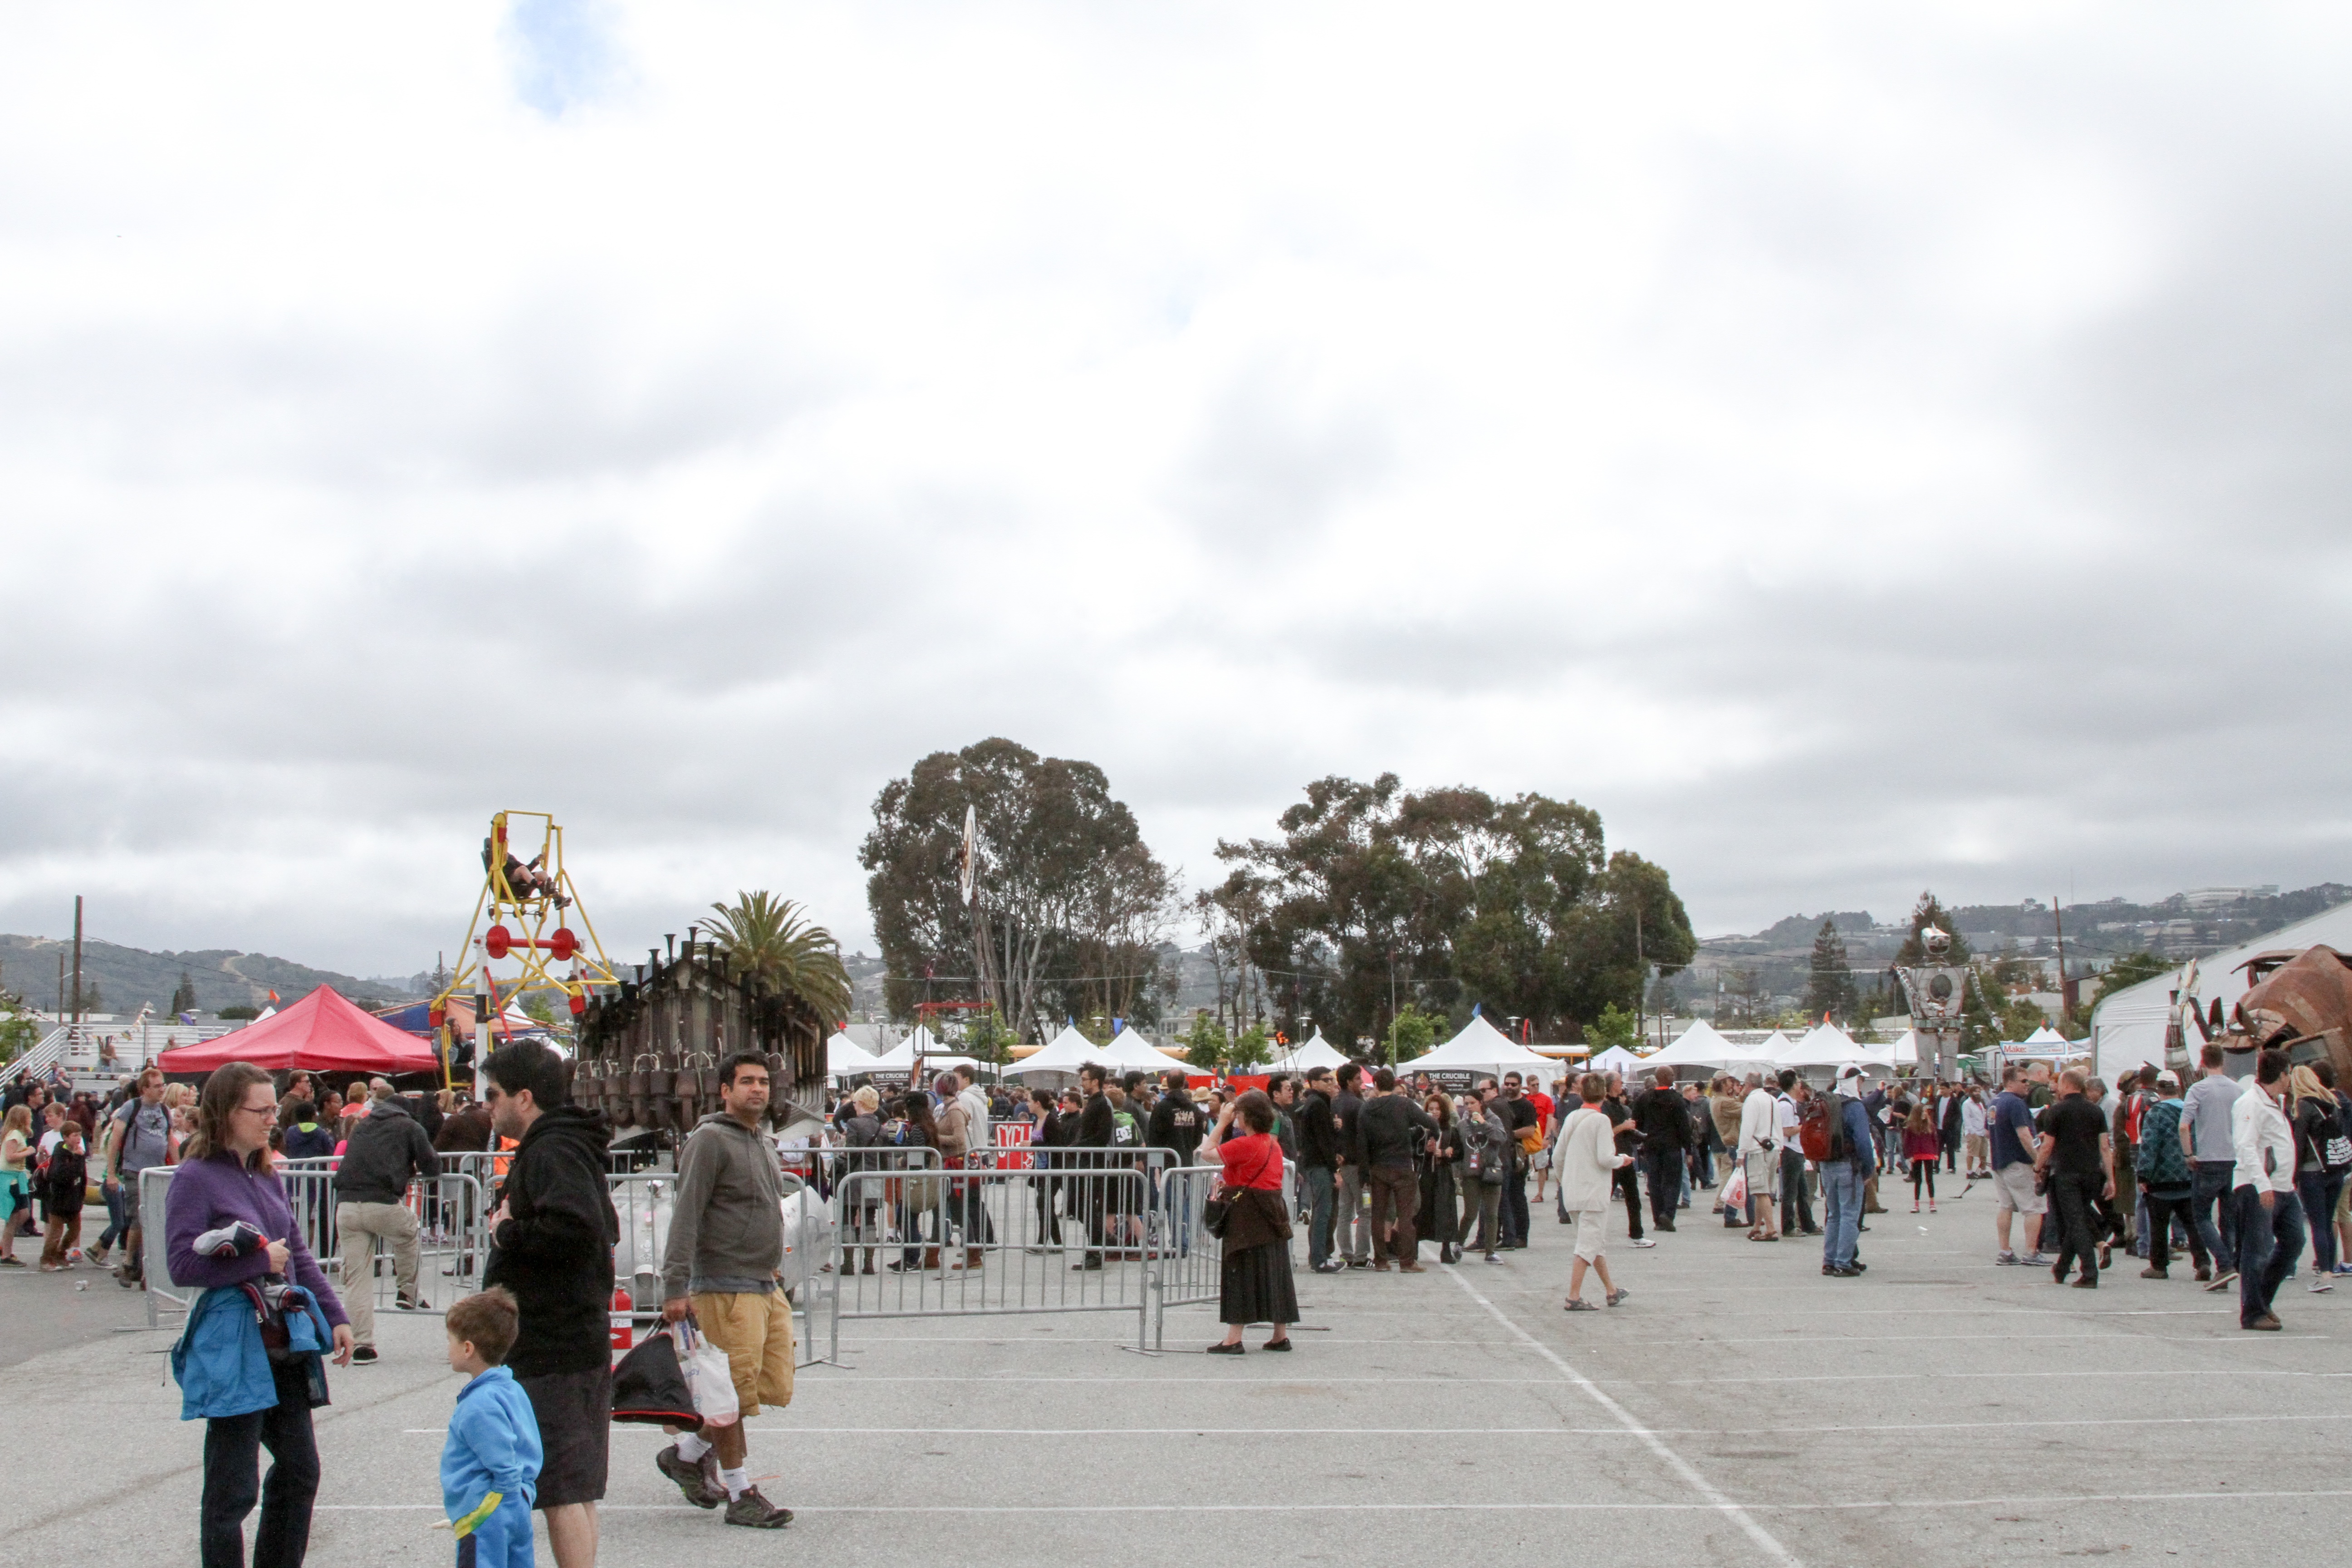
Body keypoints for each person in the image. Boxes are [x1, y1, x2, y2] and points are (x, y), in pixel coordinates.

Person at [165, 1061, 356, 1568]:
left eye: (275, 1108)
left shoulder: (269, 1175)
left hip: (283, 1340)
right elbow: (181, 1264)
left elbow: (296, 1252)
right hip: (235, 1345)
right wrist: (254, 1262)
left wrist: (335, 1315)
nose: (274, 1118)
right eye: (263, 1109)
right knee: (232, 1490)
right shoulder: (195, 1177)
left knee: (300, 1472)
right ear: (227, 1112)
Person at [480, 1038, 619, 1568]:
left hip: (554, 1340)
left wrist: (509, 1233)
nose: (487, 1107)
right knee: (572, 1486)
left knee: (560, 1486)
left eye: (492, 1095)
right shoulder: (565, 1145)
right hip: (569, 1335)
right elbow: (603, 1225)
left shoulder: (554, 1149)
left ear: (524, 1096)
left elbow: (578, 1230)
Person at [657, 1053, 796, 1528]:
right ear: (724, 1091)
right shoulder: (711, 1140)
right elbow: (686, 1215)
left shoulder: (762, 1141)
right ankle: (741, 1494)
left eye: (762, 1082)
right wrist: (675, 1286)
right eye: (746, 1082)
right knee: (730, 1396)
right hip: (722, 1285)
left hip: (762, 1284)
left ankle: (688, 1454)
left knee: (762, 1388)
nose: (757, 1090)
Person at [334, 1080, 442, 1354]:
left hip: (346, 1205)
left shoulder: (362, 1126)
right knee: (408, 1233)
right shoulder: (410, 1126)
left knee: (357, 1278)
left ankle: (362, 1345)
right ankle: (407, 1291)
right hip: (382, 1202)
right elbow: (433, 1165)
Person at [440, 1288, 542, 1568]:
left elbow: (500, 1457)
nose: (448, 1348)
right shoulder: (511, 1388)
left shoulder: (479, 1405)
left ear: (468, 1348)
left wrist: (498, 1500)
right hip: (518, 1502)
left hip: (488, 1509)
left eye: (450, 1341)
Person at [1205, 1091, 1297, 1355]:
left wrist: (1221, 1123)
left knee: (1240, 1272)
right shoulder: (1272, 1144)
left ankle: (1234, 1338)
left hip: (1246, 1215)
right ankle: (1280, 1335)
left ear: (1246, 1117)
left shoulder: (1245, 1144)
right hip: (1272, 1210)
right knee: (1276, 1271)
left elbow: (1207, 1153)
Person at [2230, 1049, 2302, 1331]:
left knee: (2294, 1241)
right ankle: (2252, 1313)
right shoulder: (2251, 1103)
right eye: (2289, 1074)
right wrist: (2262, 1184)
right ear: (2282, 1074)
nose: (2290, 1080)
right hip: (2258, 1186)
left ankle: (2262, 1298)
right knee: (2256, 1250)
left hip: (2284, 1187)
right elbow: (2245, 1146)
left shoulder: (2276, 1101)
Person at [1556, 1074, 1630, 1311]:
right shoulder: (1601, 1121)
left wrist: (1564, 1180)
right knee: (1587, 1246)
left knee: (1594, 1243)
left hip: (1574, 1192)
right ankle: (1573, 1297)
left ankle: (1611, 1290)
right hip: (1593, 1193)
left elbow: (1558, 1156)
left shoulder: (1572, 1117)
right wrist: (1623, 1160)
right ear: (1604, 1094)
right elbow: (1605, 1158)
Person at [2032, 1069, 2112, 1288]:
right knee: (2079, 1216)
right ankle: (2062, 1267)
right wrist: (2111, 1179)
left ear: (2067, 1086)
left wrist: (2038, 1168)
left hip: (2066, 1173)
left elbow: (2047, 1146)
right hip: (2091, 1173)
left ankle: (2089, 1272)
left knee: (2075, 1222)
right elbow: (2105, 1147)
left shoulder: (2057, 1111)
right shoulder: (2096, 1111)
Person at [1358, 1067, 1438, 1271]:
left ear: (1375, 1085)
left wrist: (1364, 1171)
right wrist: (1433, 1136)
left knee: (1378, 1215)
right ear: (1394, 1085)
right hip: (1402, 1165)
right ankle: (1407, 1261)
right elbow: (1430, 1123)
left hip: (1378, 1166)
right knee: (1405, 1215)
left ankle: (1381, 1260)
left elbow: (1362, 1141)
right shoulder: (1404, 1104)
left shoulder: (1367, 1108)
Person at [106, 1066, 178, 1288]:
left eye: (163, 1085)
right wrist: (110, 1173)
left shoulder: (165, 1111)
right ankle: (129, 1263)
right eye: (157, 1086)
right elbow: (115, 1139)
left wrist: (180, 1169)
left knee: (156, 1218)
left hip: (158, 1172)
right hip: (135, 1170)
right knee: (139, 1217)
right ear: (145, 1089)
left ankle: (147, 1268)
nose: (162, 1089)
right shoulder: (132, 1107)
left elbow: (170, 1141)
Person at [2134, 1069, 2208, 1281]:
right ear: (2178, 1089)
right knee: (2192, 1224)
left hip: (2161, 1179)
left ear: (2159, 1090)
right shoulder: (2189, 1112)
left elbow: (2150, 1146)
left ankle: (2159, 1266)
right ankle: (2202, 1262)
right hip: (2187, 1177)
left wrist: (2143, 1175)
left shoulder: (2155, 1113)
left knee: (2159, 1225)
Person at [2183, 1043, 2244, 1293]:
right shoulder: (2237, 1089)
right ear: (2224, 1061)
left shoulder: (2198, 1089)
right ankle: (2225, 1266)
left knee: (2201, 1215)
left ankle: (2225, 1263)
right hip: (2232, 1159)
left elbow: (2184, 1125)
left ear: (2203, 1061)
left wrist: (2188, 1154)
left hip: (2207, 1159)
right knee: (2228, 1218)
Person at [2288, 1064, 2344, 1294]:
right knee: (2329, 1220)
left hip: (2312, 1171)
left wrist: (2293, 1175)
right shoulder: (2332, 1103)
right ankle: (2330, 1268)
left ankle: (2325, 1274)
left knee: (2318, 1224)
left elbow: (2299, 1144)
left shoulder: (2303, 1106)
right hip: (2335, 1170)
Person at [1819, 1065, 1877, 1277]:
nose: (1862, 1084)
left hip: (1826, 1163)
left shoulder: (1826, 1102)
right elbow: (1863, 1142)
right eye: (1861, 1080)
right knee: (1850, 1215)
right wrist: (1869, 1169)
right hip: (1848, 1165)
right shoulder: (1854, 1106)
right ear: (1854, 1081)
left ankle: (1830, 1260)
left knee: (1833, 1214)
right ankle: (1843, 1262)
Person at [1989, 1065, 2048, 1266]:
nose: (2028, 1085)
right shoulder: (2015, 1103)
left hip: (1999, 1161)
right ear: (2011, 1082)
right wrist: (2038, 1160)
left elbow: (1989, 1132)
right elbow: (2024, 1135)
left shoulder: (1994, 1102)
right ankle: (2031, 1252)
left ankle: (2005, 1251)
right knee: (2034, 1207)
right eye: (2024, 1081)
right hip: (2018, 1161)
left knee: (2005, 1206)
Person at [1630, 1068, 1690, 1235]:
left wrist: (1642, 1137)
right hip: (1672, 1146)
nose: (1674, 1077)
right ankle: (1668, 1214)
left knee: (1655, 1182)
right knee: (1673, 1181)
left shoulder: (1645, 1098)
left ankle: (1658, 1218)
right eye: (1672, 1074)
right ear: (1665, 1077)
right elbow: (1683, 1126)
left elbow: (1636, 1121)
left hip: (1652, 1145)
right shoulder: (1676, 1099)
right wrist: (1689, 1148)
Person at [1295, 1067, 1341, 1274]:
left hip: (1316, 1164)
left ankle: (1319, 1256)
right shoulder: (1318, 1104)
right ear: (1313, 1083)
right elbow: (1323, 1142)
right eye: (1325, 1080)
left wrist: (1333, 1126)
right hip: (1319, 1165)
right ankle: (1320, 1259)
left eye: (1332, 1079)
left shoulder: (1317, 1104)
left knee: (1322, 1211)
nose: (1331, 1083)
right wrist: (1335, 1170)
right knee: (1323, 1212)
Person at [1458, 1084, 1508, 1263]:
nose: (1469, 1107)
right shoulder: (1462, 1124)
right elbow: (1459, 1149)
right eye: (1466, 1104)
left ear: (1481, 1104)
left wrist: (1484, 1124)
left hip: (1491, 1170)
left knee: (1491, 1214)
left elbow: (1502, 1138)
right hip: (1471, 1173)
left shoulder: (1493, 1120)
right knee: (1470, 1212)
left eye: (1472, 1103)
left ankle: (1490, 1251)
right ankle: (1459, 1243)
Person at [1333, 1063, 1372, 1266]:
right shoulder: (1358, 1105)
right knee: (1365, 1210)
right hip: (1358, 1164)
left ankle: (1346, 1253)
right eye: (1358, 1079)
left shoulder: (1335, 1102)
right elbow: (1364, 1136)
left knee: (1345, 1212)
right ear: (1349, 1082)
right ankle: (1361, 1256)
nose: (1362, 1082)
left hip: (1344, 1163)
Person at [38, 1118, 88, 1270]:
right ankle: (46, 1259)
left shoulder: (79, 1153)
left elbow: (82, 1177)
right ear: (66, 1138)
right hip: (58, 1200)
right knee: (55, 1234)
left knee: (74, 1231)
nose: (78, 1139)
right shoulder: (60, 1153)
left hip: (74, 1200)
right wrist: (78, 1159)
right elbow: (61, 1176)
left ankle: (60, 1254)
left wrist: (81, 1195)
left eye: (79, 1135)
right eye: (74, 1135)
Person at [1496, 1073, 1539, 1248]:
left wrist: (1508, 1134)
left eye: (1514, 1085)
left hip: (1518, 1156)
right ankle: (1502, 1235)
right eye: (1507, 1084)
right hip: (1501, 1156)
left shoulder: (1526, 1106)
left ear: (1521, 1086)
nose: (1509, 1087)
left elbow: (1530, 1130)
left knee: (1517, 1196)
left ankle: (1521, 1236)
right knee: (1501, 1198)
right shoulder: (1501, 1103)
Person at [1419, 1091, 1461, 1264]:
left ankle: (1446, 1249)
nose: (1434, 1112)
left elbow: (1459, 1153)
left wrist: (1445, 1153)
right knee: (1421, 1210)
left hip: (1444, 1175)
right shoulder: (1421, 1130)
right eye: (1431, 1109)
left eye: (1437, 1109)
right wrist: (1427, 1152)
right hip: (1425, 1174)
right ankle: (1413, 1248)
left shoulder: (1451, 1131)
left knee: (1446, 1211)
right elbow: (1413, 1151)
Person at [1737, 1072, 1780, 1241]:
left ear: (1748, 1085)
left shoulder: (1752, 1101)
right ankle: (1757, 1226)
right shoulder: (1773, 1099)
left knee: (1760, 1191)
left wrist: (1741, 1153)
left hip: (1757, 1149)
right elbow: (1779, 1125)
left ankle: (1770, 1229)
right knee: (1764, 1191)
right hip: (1773, 1148)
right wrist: (1780, 1148)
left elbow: (1747, 1129)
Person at [1777, 1073, 1820, 1236]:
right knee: (1790, 1192)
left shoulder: (1791, 1103)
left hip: (1796, 1150)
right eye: (1798, 1083)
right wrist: (1804, 1127)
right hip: (1791, 1151)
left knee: (1803, 1191)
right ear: (1794, 1086)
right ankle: (1788, 1227)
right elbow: (1787, 1130)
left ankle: (1808, 1224)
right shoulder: (1786, 1106)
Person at [0, 1104, 33, 1266]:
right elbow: (10, 1156)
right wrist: (28, 1152)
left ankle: (5, 1247)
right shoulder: (14, 1134)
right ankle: (6, 1254)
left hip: (18, 1178)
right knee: (13, 1218)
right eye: (29, 1117)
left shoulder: (19, 1134)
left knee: (24, 1214)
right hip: (10, 1179)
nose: (31, 1119)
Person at [1904, 1101, 1941, 1214]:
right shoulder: (1911, 1127)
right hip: (1917, 1154)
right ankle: (1917, 1204)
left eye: (1926, 1111)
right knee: (1918, 1179)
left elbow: (1935, 1140)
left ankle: (1932, 1203)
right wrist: (1909, 1155)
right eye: (1923, 1111)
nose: (1926, 1113)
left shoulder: (1931, 1125)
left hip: (1928, 1153)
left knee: (1930, 1178)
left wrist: (1936, 1153)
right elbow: (1907, 1143)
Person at [1961, 1086, 1990, 1179]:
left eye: (1979, 1091)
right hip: (1973, 1132)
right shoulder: (1967, 1104)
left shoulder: (1980, 1103)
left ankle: (1983, 1170)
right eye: (1975, 1092)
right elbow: (1967, 1119)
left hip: (1982, 1131)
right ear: (1971, 1093)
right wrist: (1972, 1132)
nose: (1978, 1093)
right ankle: (1969, 1172)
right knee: (1972, 1153)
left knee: (1984, 1153)